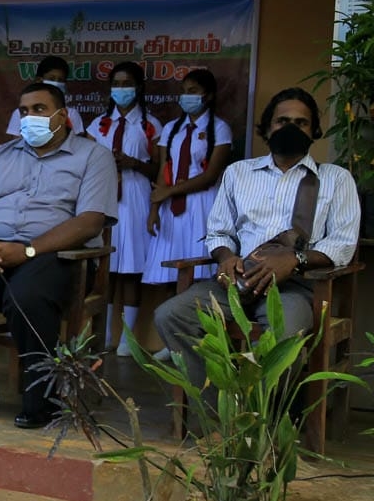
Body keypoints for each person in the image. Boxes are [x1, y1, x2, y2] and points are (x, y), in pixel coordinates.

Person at [0, 82, 117, 428]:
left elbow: (91, 221)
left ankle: (42, 400)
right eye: (24, 111)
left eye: (39, 109)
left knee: (26, 296)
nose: (29, 117)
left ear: (62, 116)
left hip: (56, 256)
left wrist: (27, 250)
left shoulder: (94, 156)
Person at [154, 88, 360, 390]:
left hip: (296, 286)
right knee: (170, 315)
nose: (290, 128)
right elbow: (219, 232)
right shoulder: (238, 173)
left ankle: (264, 414)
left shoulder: (335, 178)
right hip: (236, 281)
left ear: (314, 130)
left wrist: (294, 259)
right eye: (282, 121)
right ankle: (221, 406)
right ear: (266, 127)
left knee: (284, 331)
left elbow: (342, 243)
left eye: (301, 122)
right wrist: (226, 257)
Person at [88, 61, 161, 356]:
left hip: (135, 197)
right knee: (107, 269)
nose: (121, 89)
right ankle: (106, 334)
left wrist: (134, 163)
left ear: (139, 87)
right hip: (106, 196)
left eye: (127, 84)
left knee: (130, 269)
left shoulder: (150, 125)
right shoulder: (99, 124)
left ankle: (127, 340)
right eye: (116, 84)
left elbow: (159, 168)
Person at [142, 69, 233, 286]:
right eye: (183, 91)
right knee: (169, 271)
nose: (186, 96)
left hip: (202, 203)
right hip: (172, 206)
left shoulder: (220, 129)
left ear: (208, 95)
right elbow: (164, 169)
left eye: (193, 91)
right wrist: (154, 210)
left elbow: (210, 176)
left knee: (199, 269)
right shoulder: (171, 129)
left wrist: (170, 191)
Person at [5, 56, 86, 137]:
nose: (56, 83)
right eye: (51, 79)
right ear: (39, 80)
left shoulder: (71, 114)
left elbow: (79, 141)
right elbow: (16, 141)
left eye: (60, 80)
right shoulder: (21, 113)